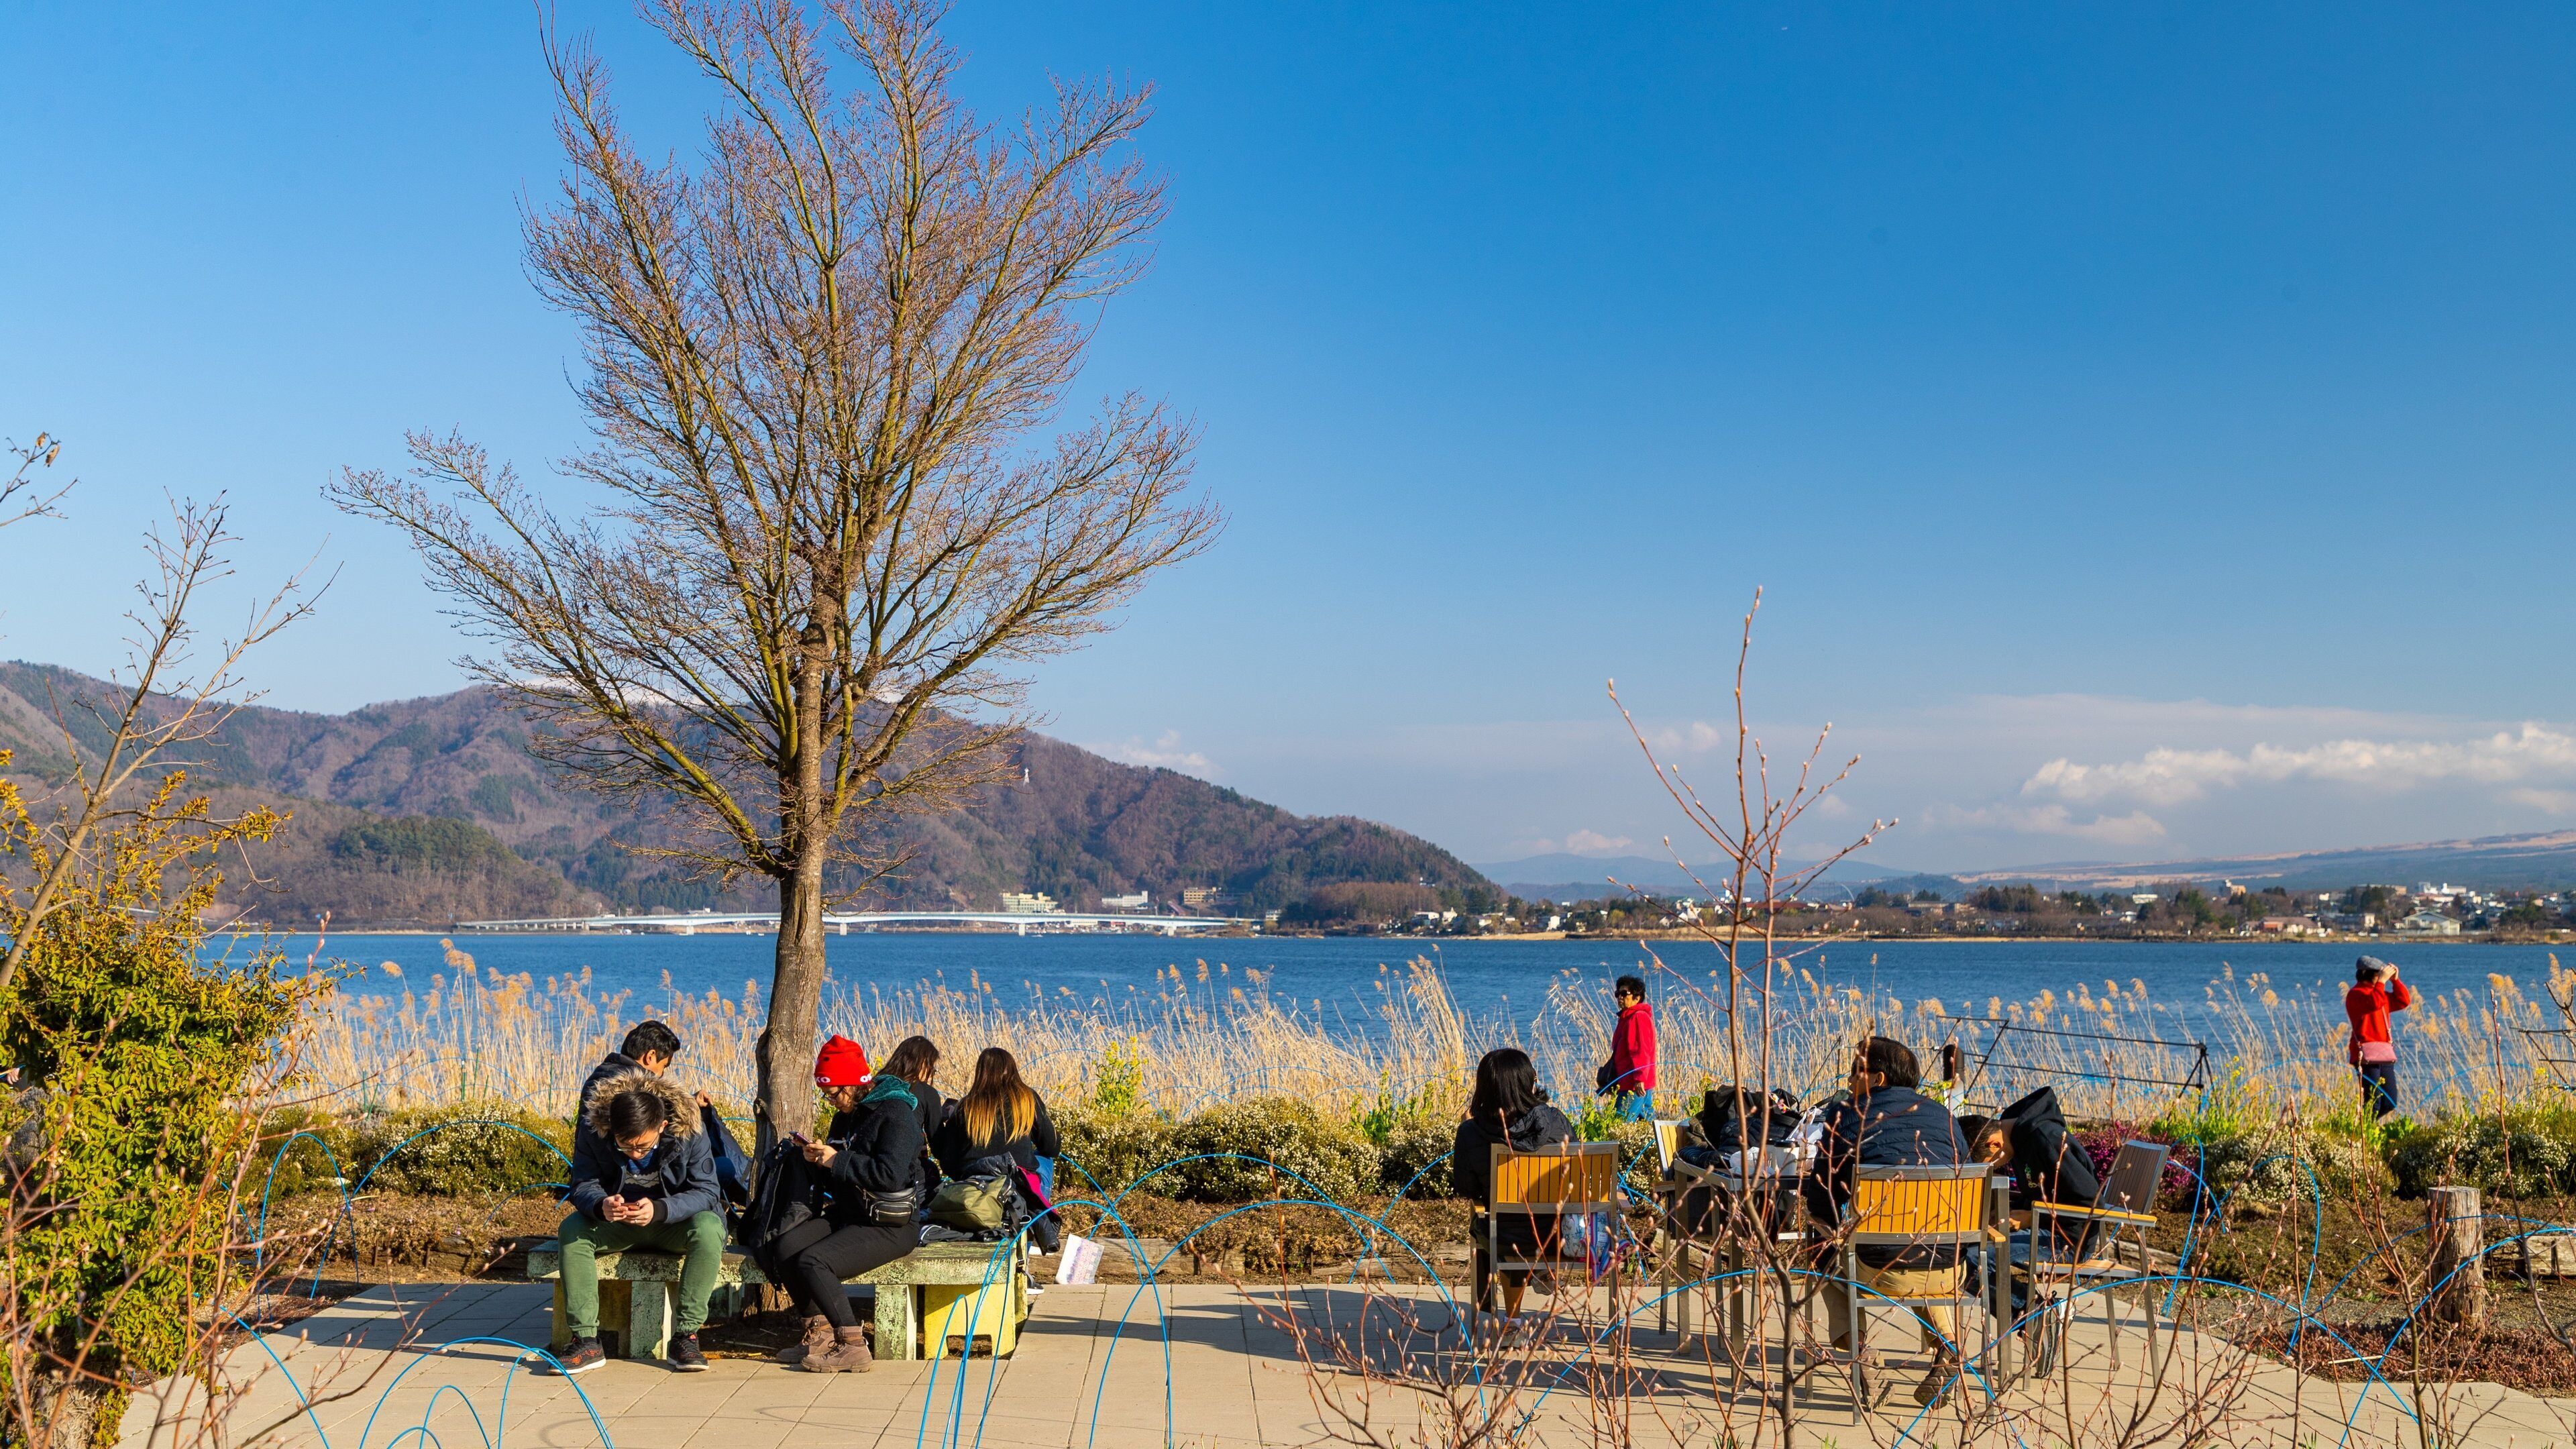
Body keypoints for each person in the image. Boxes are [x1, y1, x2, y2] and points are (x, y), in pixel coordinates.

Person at [1801, 1036, 1968, 1407]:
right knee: (1923, 1240)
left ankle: (1863, 1355)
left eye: (1853, 1072)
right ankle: (1947, 1343)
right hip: (1949, 1267)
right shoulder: (1945, 1117)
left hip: (1879, 1268)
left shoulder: (1846, 1116)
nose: (1847, 1081)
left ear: (1876, 1079)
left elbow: (1823, 1202)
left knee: (1819, 1245)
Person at [767, 1034, 933, 1373]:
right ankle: (821, 1334)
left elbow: (889, 1175)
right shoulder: (845, 1116)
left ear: (855, 1083)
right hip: (852, 1213)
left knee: (815, 1261)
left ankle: (853, 1345)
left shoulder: (896, 1114)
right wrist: (817, 1160)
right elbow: (840, 1170)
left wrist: (836, 1161)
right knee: (785, 1247)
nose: (831, 1102)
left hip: (891, 1223)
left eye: (834, 1093)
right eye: (826, 1094)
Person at [553, 1063, 724, 1375]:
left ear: (662, 1125)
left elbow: (708, 1190)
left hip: (673, 1225)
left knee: (709, 1228)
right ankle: (586, 1340)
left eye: (643, 1146)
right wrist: (600, 1204)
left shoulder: (690, 1131)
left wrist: (660, 1209)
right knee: (573, 1229)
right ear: (612, 1129)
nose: (634, 1153)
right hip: (617, 1224)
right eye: (624, 1145)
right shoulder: (594, 1130)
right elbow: (582, 1184)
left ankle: (685, 1337)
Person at [1452, 1047, 1574, 1347]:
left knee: (1496, 1224)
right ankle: (1544, 1268)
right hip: (1561, 1235)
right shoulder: (1556, 1121)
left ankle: (1512, 1324)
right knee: (1516, 1224)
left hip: (1505, 1235)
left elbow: (1466, 1188)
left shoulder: (1471, 1132)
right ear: (1528, 1083)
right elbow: (1578, 1170)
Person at [930, 1047, 1063, 1250]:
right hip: (1018, 1183)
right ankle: (1029, 1235)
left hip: (977, 1185)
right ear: (1011, 1070)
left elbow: (948, 1161)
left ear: (980, 1072)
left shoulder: (967, 1106)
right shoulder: (1027, 1099)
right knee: (1044, 1159)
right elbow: (1051, 1147)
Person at [2346, 956, 2413, 1120]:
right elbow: (2374, 1003)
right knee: (2372, 1101)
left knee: (2390, 1101)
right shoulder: (2355, 994)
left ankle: (2367, 1127)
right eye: (2379, 975)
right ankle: (2365, 1133)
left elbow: (2403, 1001)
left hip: (2383, 1054)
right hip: (2365, 1055)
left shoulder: (2379, 994)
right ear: (2366, 974)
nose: (2381, 978)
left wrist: (2396, 981)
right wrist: (2383, 983)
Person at [1597, 976, 1657, 1121]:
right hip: (1634, 1082)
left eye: (1625, 994)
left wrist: (1639, 1078)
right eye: (1618, 994)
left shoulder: (1638, 1018)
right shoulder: (1627, 1018)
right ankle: (1663, 1143)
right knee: (1649, 1125)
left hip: (1634, 1084)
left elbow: (1641, 1051)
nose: (1620, 998)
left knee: (1619, 1122)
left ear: (1637, 998)